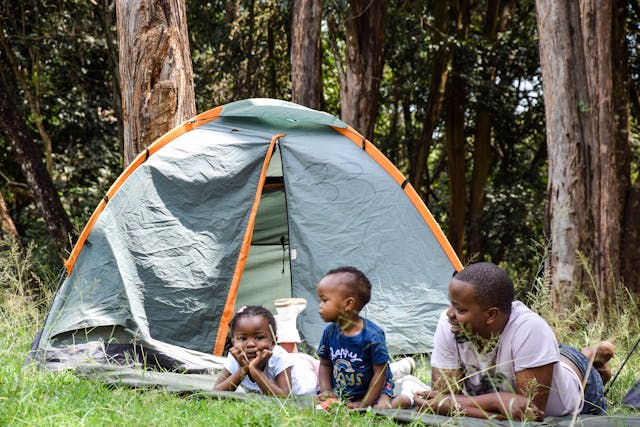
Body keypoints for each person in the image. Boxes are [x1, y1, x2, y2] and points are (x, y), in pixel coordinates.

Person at [414, 262, 614, 421]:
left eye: (460, 309)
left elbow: (530, 415)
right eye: (451, 304)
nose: (450, 313)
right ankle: (587, 353)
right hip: (534, 359)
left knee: (572, 364)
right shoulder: (451, 323)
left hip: (578, 386)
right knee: (547, 356)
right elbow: (440, 399)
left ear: (491, 315)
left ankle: (588, 359)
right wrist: (498, 401)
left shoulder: (531, 329)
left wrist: (458, 405)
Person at [315, 266, 395, 409]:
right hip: (345, 390)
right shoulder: (329, 333)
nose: (320, 306)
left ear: (348, 304)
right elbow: (325, 364)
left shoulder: (372, 336)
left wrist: (364, 404)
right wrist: (326, 391)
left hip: (375, 387)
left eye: (324, 300)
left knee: (381, 409)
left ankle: (406, 392)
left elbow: (379, 374)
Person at [214, 305, 318, 397]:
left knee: (310, 365)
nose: (250, 344)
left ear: (273, 342)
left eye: (259, 337)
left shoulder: (279, 358)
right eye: (242, 339)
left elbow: (284, 398)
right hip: (294, 361)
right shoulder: (236, 356)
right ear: (233, 342)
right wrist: (244, 369)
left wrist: (255, 371)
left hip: (310, 376)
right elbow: (216, 391)